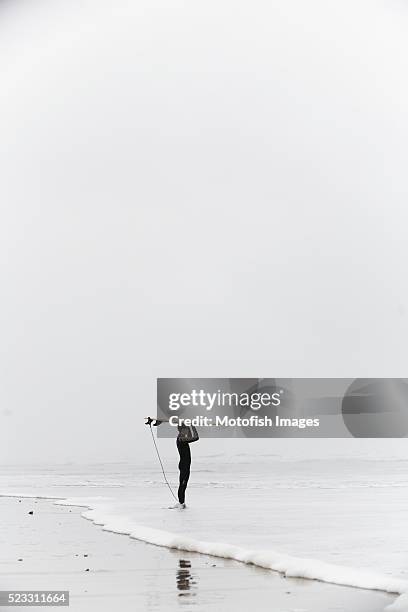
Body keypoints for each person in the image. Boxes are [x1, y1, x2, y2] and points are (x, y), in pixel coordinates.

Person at [145, 417, 198, 509]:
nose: (186, 432)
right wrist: (192, 425)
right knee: (183, 485)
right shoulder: (181, 439)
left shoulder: (183, 436)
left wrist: (189, 425)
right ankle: (181, 503)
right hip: (184, 465)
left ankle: (181, 503)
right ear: (181, 431)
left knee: (183, 484)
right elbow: (196, 437)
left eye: (186, 431)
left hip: (185, 465)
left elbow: (189, 432)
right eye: (185, 430)